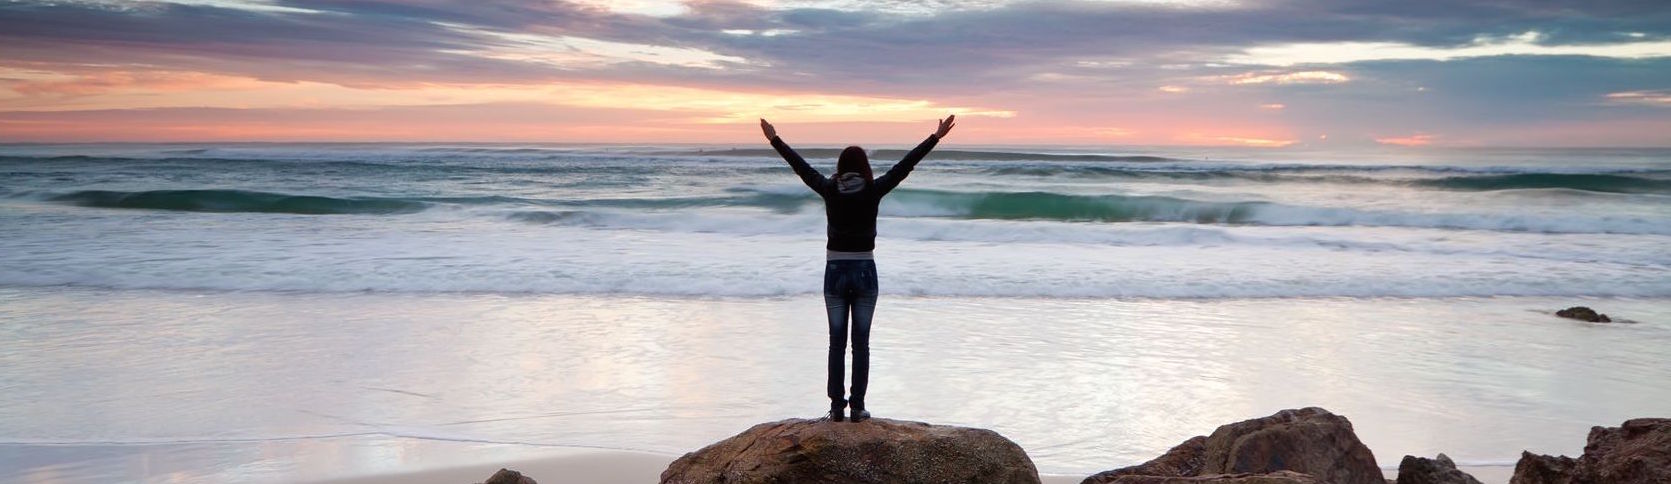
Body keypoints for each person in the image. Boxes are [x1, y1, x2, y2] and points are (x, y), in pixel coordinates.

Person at [759, 115, 956, 423]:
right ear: (864, 167)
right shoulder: (873, 190)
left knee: (836, 342)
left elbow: (801, 168)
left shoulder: (829, 188)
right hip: (865, 269)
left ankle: (837, 406)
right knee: (860, 343)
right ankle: (858, 407)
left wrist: (774, 139)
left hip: (835, 269)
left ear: (840, 166)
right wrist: (936, 136)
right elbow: (904, 166)